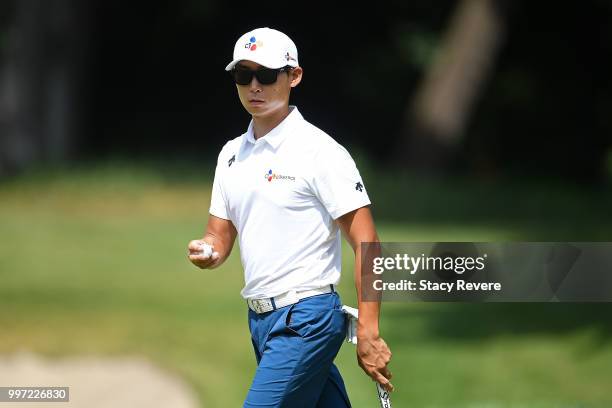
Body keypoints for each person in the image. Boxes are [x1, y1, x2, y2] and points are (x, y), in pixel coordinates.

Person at [187, 27, 393, 407]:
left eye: (266, 75)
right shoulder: (231, 154)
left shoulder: (320, 152)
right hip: (260, 320)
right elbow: (219, 234)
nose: (254, 86)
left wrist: (369, 328)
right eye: (243, 75)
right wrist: (208, 250)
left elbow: (368, 244)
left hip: (307, 319)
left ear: (293, 76)